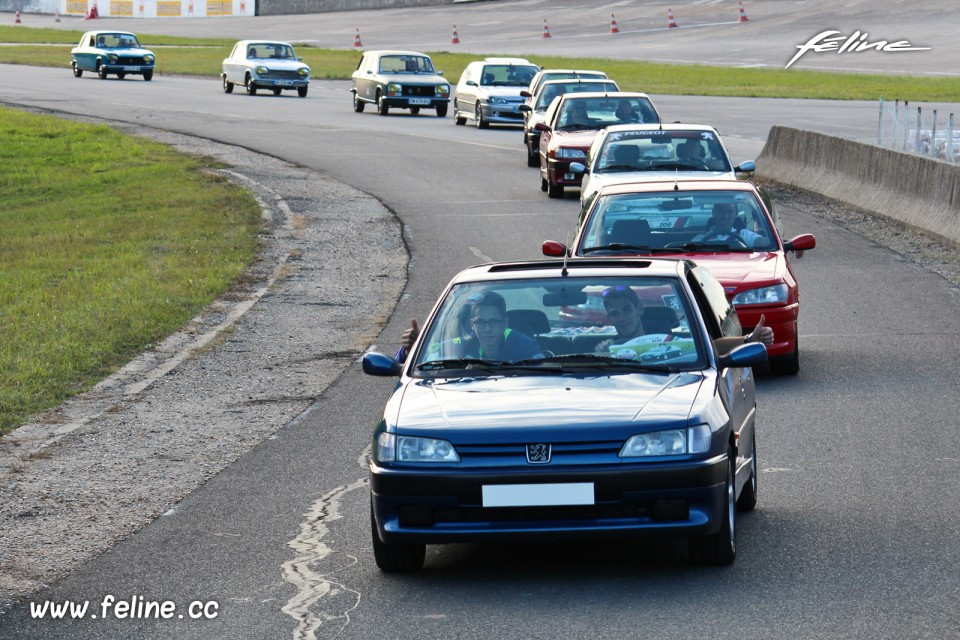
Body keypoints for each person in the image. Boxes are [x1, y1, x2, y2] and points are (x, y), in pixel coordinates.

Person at [595, 285, 772, 355]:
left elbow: (711, 347)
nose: (622, 318)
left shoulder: (671, 342)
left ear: (639, 309)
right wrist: (600, 356)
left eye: (627, 309)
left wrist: (750, 339)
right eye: (615, 314)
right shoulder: (608, 350)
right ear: (609, 318)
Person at [397, 291, 543, 363]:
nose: (487, 329)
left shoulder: (523, 344)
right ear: (473, 325)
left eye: (493, 322)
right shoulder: (462, 345)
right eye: (480, 322)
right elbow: (426, 358)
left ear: (505, 323)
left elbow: (543, 370)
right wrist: (412, 349)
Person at [691, 203, 765, 247]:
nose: (725, 216)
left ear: (736, 214)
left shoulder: (745, 235)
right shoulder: (699, 240)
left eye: (730, 211)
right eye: (721, 211)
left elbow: (765, 243)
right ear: (714, 213)